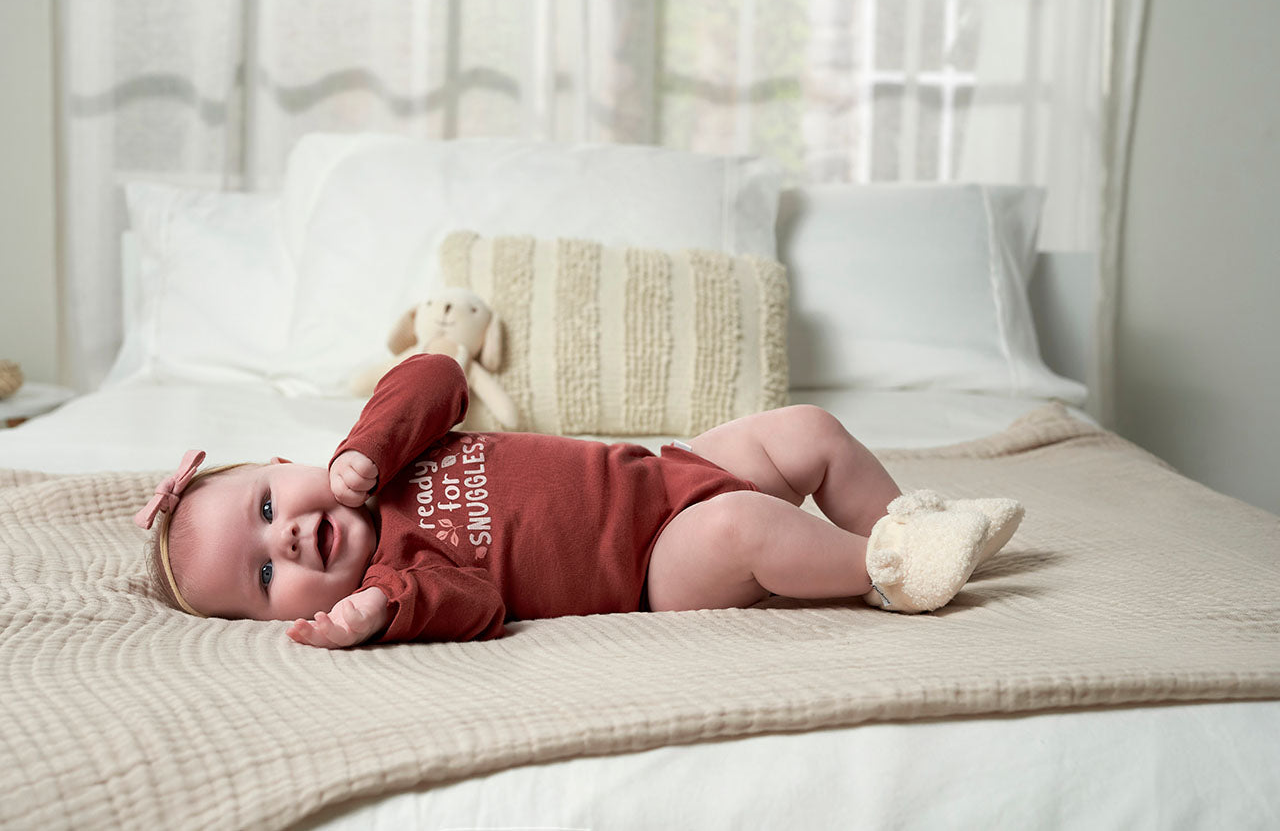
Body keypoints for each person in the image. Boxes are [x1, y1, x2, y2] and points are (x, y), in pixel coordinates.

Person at [137, 354, 1017, 648]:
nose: (287, 540)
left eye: (266, 509)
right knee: (744, 526)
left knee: (808, 430)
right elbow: (477, 605)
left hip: (669, 472)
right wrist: (383, 611)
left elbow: (437, 374)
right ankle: (893, 570)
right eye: (265, 576)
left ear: (285, 463)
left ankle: (911, 521)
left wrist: (365, 448)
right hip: (656, 564)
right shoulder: (401, 575)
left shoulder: (388, 451)